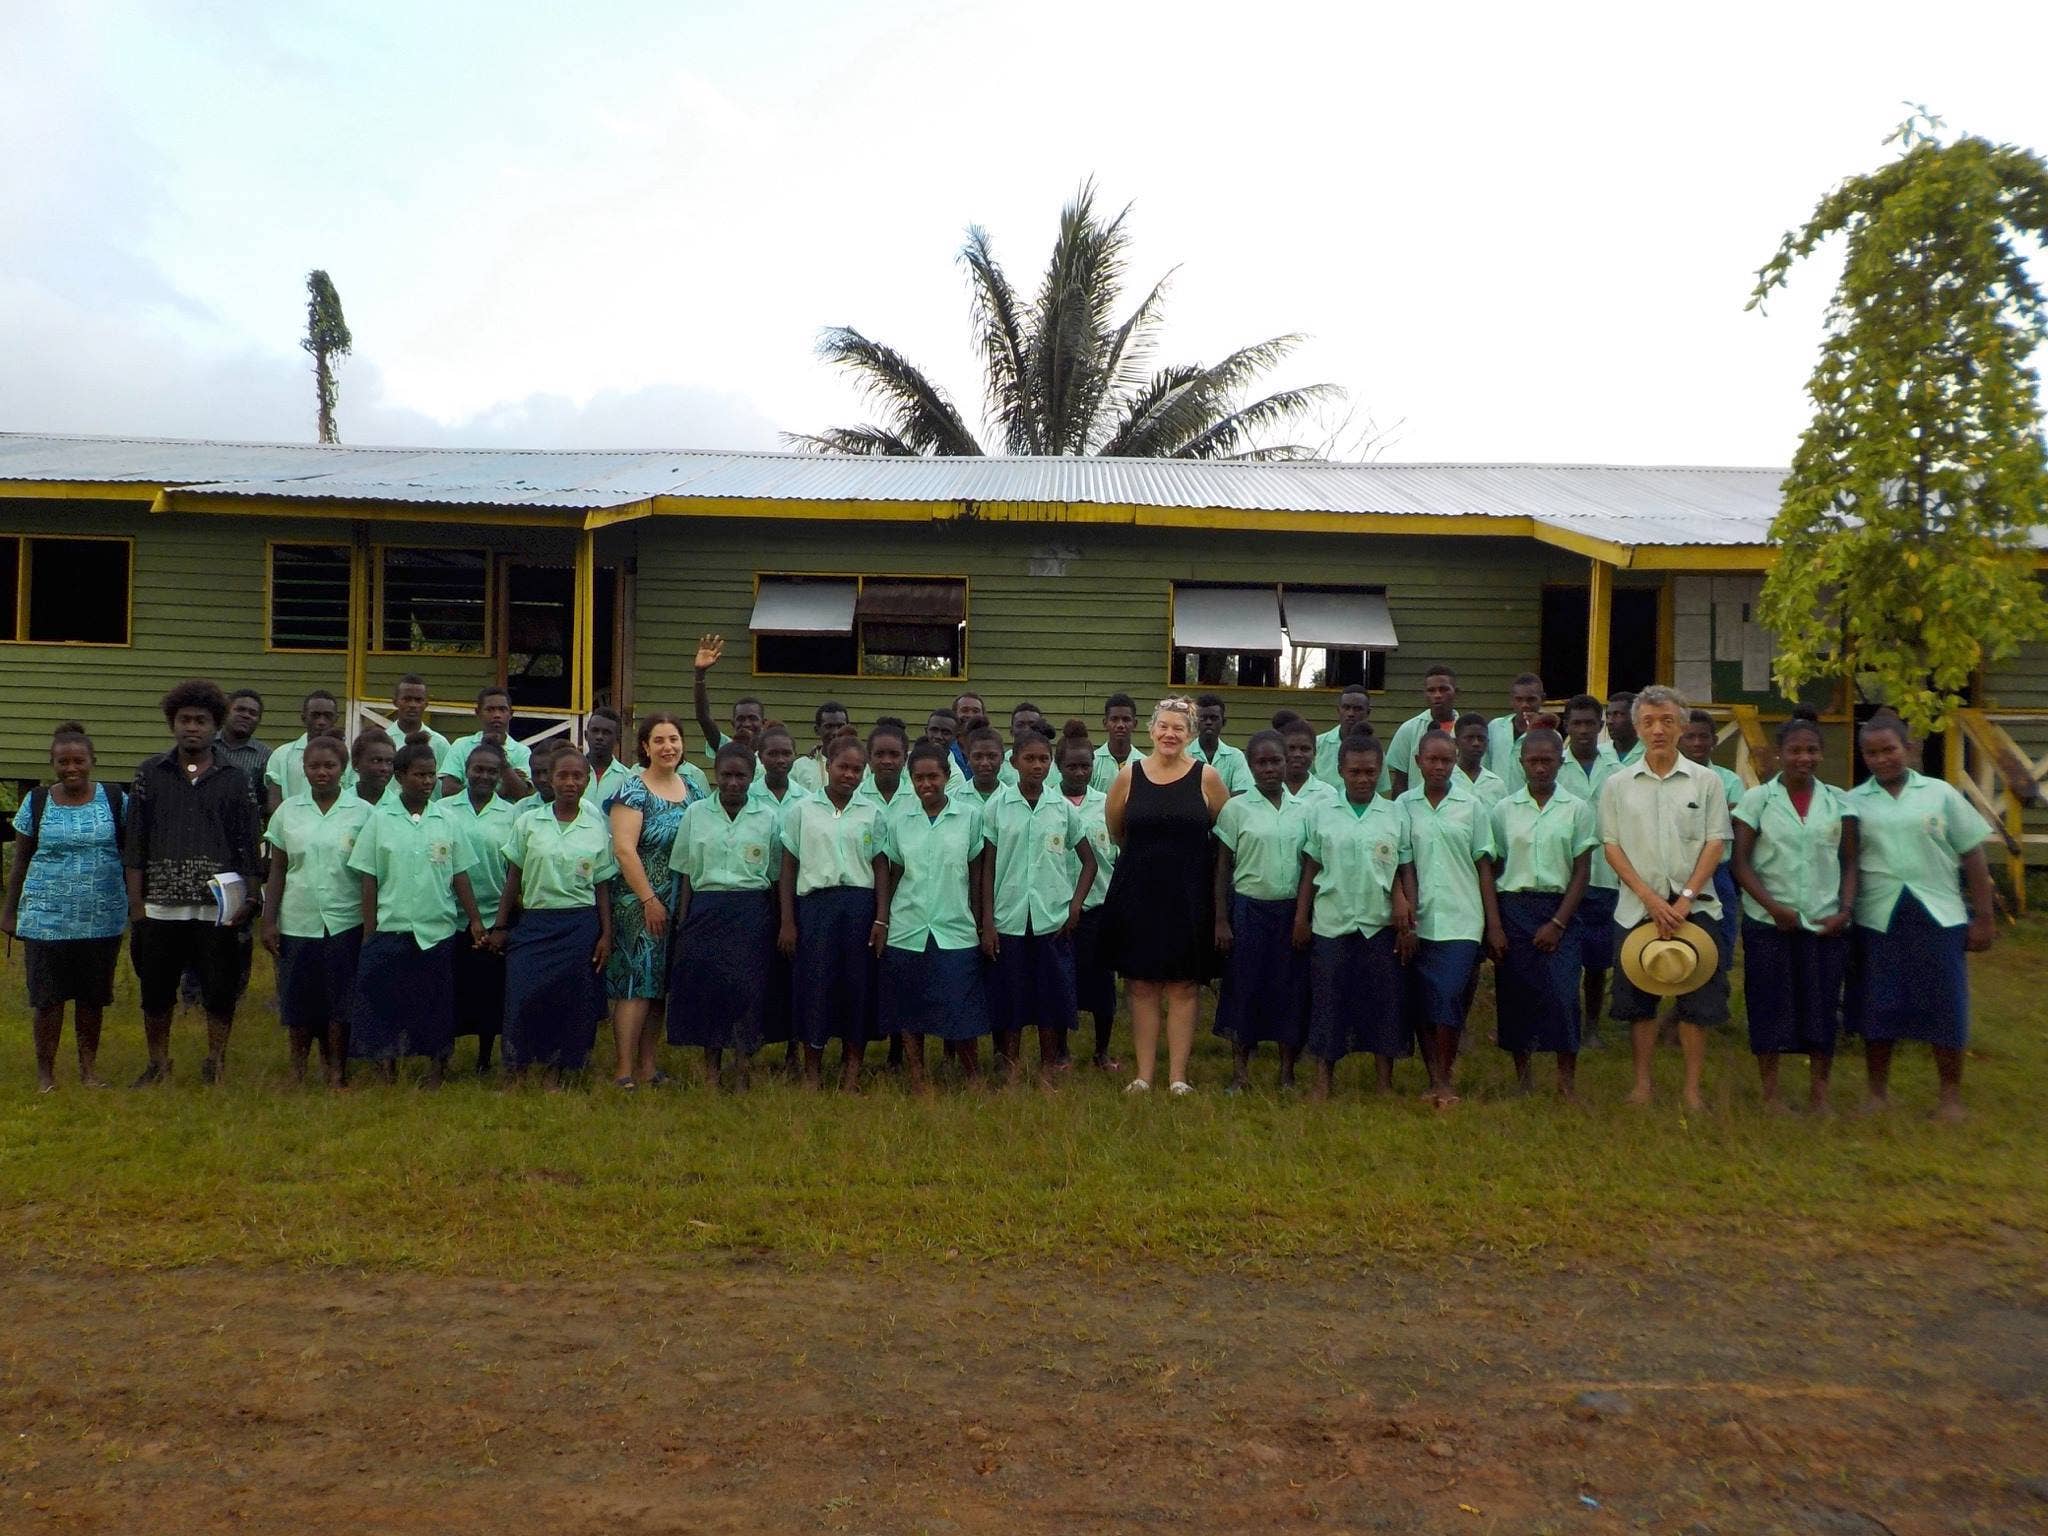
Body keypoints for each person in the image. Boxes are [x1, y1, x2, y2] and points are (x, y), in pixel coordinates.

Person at [1846, 715, 1996, 1122]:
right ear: (1863, 757)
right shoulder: (1854, 802)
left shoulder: (1940, 793)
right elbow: (1848, 863)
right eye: (1871, 753)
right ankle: (1877, 1093)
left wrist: (1983, 916)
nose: (1882, 759)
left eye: (1889, 749)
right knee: (1879, 1004)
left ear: (1908, 748)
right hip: (1878, 915)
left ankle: (1950, 1098)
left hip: (1938, 912)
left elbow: (1972, 854)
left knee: (1944, 1003)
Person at [1598, 685, 1732, 1112]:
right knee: (1640, 999)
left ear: (1682, 726)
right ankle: (1642, 1085)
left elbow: (1716, 842)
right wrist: (1650, 899)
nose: (1658, 730)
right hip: (1638, 906)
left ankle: (1692, 1091)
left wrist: (1686, 898)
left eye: (1667, 721)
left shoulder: (1706, 781)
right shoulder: (1618, 784)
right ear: (1637, 727)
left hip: (1696, 905)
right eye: (1649, 722)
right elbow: (1612, 846)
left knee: (1697, 999)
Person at [124, 680, 263, 1086]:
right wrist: (137, 906)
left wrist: (251, 898)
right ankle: (157, 1064)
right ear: (172, 723)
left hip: (217, 907)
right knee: (156, 992)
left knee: (220, 992)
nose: (192, 728)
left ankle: (215, 1062)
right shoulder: (150, 773)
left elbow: (247, 845)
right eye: (184, 719)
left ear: (215, 726)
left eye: (201, 720)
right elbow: (135, 843)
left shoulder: (235, 779)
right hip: (160, 906)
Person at [1731, 708, 1856, 1114]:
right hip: (1770, 922)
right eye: (1795, 750)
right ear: (1780, 754)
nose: (1804, 757)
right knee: (1769, 1004)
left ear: (1821, 754)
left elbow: (1851, 861)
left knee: (1821, 1007)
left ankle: (1819, 1095)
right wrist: (1773, 907)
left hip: (1823, 921)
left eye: (1812, 750)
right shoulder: (1758, 800)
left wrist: (1845, 910)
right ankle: (1771, 1094)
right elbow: (1741, 862)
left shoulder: (1838, 801)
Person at [1103, 697, 1229, 1095]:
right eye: (1164, 726)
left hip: (1189, 894)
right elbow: (1116, 831)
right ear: (1151, 730)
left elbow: (1222, 835)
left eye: (1179, 728)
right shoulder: (1129, 775)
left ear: (1190, 734)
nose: (1170, 734)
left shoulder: (1207, 777)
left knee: (1182, 985)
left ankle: (1178, 1077)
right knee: (1141, 984)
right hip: (1138, 893)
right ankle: (1143, 1075)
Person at [348, 742, 484, 1086]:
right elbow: (369, 877)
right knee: (386, 1001)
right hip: (391, 927)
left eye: (431, 776)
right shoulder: (380, 820)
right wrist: (369, 930)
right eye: (419, 775)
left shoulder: (446, 820)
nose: (427, 782)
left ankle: (437, 1068)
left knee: (434, 1004)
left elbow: (460, 874)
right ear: (399, 777)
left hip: (435, 929)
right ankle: (386, 1069)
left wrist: (476, 919)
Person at [3, 723, 127, 1091]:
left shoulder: (116, 799)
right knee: (48, 1000)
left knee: (92, 999)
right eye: (63, 762)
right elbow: (20, 860)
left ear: (92, 762)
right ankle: (46, 1075)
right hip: (46, 918)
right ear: (52, 763)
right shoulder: (37, 801)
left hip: (101, 918)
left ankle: (89, 1071)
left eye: (79, 761)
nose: (71, 768)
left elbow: (131, 852)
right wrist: (9, 912)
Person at [1295, 734, 1412, 1098]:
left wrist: (1406, 910)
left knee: (1384, 1002)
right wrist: (1301, 917)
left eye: (1370, 772)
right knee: (1329, 1001)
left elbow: (1403, 867)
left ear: (1380, 772)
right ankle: (1323, 1081)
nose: (1363, 779)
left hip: (1379, 923)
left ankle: (1383, 1082)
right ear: (1341, 772)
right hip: (1333, 919)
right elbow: (1311, 867)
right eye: (1355, 771)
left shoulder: (1394, 813)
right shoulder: (1323, 812)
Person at [980, 725, 1096, 1087]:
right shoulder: (997, 807)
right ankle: (1011, 1065)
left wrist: (1075, 906)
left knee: (1051, 995)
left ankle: (1048, 1068)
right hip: (1009, 917)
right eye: (1029, 759)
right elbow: (987, 867)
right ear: (1013, 762)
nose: (1037, 766)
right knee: (1011, 995)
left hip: (1052, 918)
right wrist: (986, 921)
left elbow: (1089, 861)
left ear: (1052, 765)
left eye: (1044, 759)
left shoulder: (1060, 808)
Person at [874, 739, 992, 1093]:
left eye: (934, 777)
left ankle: (972, 1077)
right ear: (911, 780)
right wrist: (883, 920)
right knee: (910, 1008)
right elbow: (891, 872)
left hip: (954, 927)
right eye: (920, 778)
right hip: (908, 926)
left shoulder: (969, 817)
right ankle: (918, 1077)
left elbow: (976, 874)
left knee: (961, 1005)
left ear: (947, 776)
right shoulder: (898, 820)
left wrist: (981, 922)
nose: (927, 785)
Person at [496, 751, 617, 1088]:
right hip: (535, 921)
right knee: (523, 996)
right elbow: (513, 878)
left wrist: (606, 934)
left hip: (579, 925)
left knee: (570, 1002)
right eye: (563, 775)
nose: (570, 783)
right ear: (549, 778)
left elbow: (603, 885)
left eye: (578, 776)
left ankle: (556, 1071)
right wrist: (501, 925)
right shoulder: (528, 823)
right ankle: (517, 1071)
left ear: (587, 780)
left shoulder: (595, 829)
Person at [669, 739, 783, 1090]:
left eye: (741, 776)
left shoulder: (768, 817)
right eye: (726, 775)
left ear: (752, 777)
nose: (733, 783)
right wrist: (684, 919)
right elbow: (686, 872)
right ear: (714, 776)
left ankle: (743, 1066)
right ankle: (711, 1069)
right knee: (710, 991)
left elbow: (777, 875)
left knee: (746, 991)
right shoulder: (696, 814)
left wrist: (779, 922)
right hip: (707, 910)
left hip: (751, 911)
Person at [1489, 727, 1596, 1099]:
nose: (1539, 768)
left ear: (1559, 762)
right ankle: (1523, 1078)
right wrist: (1496, 924)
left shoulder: (1577, 809)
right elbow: (1495, 864)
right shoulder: (1504, 810)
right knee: (1518, 993)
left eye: (1547, 760)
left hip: (1560, 907)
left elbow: (1582, 869)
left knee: (1564, 994)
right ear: (1521, 764)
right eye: (1532, 761)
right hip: (1515, 908)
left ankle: (1566, 1082)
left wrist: (1558, 922)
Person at [1399, 730, 1503, 1106]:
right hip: (1418, 921)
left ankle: (1445, 1078)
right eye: (1432, 759)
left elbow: (1484, 866)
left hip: (1462, 918)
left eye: (1446, 760)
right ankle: (1434, 1076)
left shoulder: (1472, 806)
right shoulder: (1403, 806)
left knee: (1448, 997)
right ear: (1419, 761)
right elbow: (1397, 864)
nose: (1439, 766)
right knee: (1423, 1001)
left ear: (1455, 761)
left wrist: (1493, 925)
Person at [260, 732, 369, 1087]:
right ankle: (298, 1071)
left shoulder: (362, 812)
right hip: (298, 919)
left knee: (341, 1001)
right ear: (304, 770)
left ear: (344, 769)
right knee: (299, 1001)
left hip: (345, 920)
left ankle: (336, 1070)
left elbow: (370, 873)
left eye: (329, 766)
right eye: (314, 766)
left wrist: (371, 922)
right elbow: (277, 868)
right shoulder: (288, 812)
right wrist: (269, 919)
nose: (322, 772)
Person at [778, 736, 883, 1090]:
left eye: (857, 769)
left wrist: (881, 917)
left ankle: (852, 1070)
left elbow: (881, 867)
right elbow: (788, 867)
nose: (849, 775)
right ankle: (812, 1072)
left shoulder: (872, 813)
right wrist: (788, 921)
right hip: (815, 908)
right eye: (843, 767)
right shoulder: (802, 811)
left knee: (857, 988)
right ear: (828, 766)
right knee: (815, 987)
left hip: (859, 907)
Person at [1213, 730, 1310, 1092]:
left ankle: (1287, 1073)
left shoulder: (1304, 810)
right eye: (1261, 762)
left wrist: (1303, 916)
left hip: (1290, 913)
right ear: (1250, 767)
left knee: (1290, 990)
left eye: (1276, 761)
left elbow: (1310, 866)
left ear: (1287, 762)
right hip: (1249, 910)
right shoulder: (1236, 809)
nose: (1269, 768)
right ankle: (1240, 1074)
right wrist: (1221, 920)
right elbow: (1222, 867)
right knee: (1245, 989)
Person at [605, 711, 696, 1088]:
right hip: (638, 903)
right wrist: (649, 900)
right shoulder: (632, 790)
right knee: (635, 982)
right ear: (645, 746)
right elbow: (625, 851)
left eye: (673, 739)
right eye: (658, 740)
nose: (667, 747)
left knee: (659, 984)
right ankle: (623, 1069)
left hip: (679, 902)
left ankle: (648, 1065)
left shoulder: (694, 790)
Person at [449, 739, 520, 1073]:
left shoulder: (511, 814)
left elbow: (513, 872)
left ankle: (484, 1058)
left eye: (493, 771)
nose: (485, 776)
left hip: (494, 916)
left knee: (490, 992)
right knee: (452, 989)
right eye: (478, 769)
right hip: (451, 917)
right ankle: (443, 1055)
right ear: (466, 771)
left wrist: (502, 923)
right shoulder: (445, 809)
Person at [1558, 694, 1624, 1042]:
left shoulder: (1618, 772)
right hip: (1563, 880)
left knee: (1598, 959)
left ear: (1601, 727)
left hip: (1605, 877)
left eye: (1590, 724)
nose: (1583, 730)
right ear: (1566, 727)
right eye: (1576, 724)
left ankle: (1592, 1026)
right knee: (1565, 957)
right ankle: (1564, 1020)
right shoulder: (1556, 767)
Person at [1058, 722, 1120, 1072]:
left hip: (1099, 907)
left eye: (1085, 766)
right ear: (1059, 767)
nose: (1079, 772)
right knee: (1063, 980)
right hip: (1059, 909)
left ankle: (1101, 1052)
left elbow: (1117, 853)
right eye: (1072, 766)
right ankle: (1062, 1052)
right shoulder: (1050, 803)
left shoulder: (1108, 804)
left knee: (1102, 984)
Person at [1680, 709, 1747, 963]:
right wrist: (1718, 812)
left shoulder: (1729, 781)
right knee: (1680, 939)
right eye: (1690, 737)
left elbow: (1734, 822)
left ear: (1714, 741)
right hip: (1678, 870)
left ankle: (1719, 987)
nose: (1697, 743)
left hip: (1717, 872)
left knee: (1720, 936)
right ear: (1679, 739)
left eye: (1704, 737)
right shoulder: (1669, 779)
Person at [691, 633, 767, 780]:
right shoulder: (725, 747)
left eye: (753, 718)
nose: (746, 724)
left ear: (763, 723)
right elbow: (703, 717)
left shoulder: (771, 752)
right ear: (733, 723)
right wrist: (700, 673)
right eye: (741, 719)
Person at [438, 686, 533, 799]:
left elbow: (522, 794)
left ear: (511, 714)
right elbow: (448, 790)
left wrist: (502, 760)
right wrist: (502, 791)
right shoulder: (461, 745)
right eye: (490, 709)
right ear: (478, 713)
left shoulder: (522, 752)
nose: (497, 715)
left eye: (502, 709)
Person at [265, 688, 351, 813]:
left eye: (328, 716)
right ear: (303, 718)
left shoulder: (349, 757)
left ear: (336, 718)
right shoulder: (281, 755)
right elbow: (274, 802)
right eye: (315, 715)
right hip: (292, 828)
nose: (321, 722)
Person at [1386, 665, 1460, 797]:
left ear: (1456, 692)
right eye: (1431, 690)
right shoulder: (1408, 729)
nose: (1437, 695)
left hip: (1457, 810)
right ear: (1425, 694)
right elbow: (1400, 781)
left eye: (1443, 689)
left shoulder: (1466, 732)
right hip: (1416, 810)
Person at [1484, 673, 1546, 795]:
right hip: (1496, 800)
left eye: (1531, 699)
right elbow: (1485, 766)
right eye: (1519, 699)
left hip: (1529, 803)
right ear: (1512, 700)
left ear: (1542, 699)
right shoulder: (1495, 727)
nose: (1525, 705)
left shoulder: (1549, 735)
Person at [1185, 694, 1252, 796]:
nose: (1208, 722)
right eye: (1203, 718)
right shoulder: (1184, 755)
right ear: (1194, 722)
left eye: (1214, 718)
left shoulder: (1235, 757)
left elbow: (1242, 794)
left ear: (1223, 722)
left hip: (1229, 812)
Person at [1311, 687, 1374, 791]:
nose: (1351, 714)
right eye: (1346, 707)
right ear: (1338, 710)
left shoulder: (1375, 750)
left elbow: (1379, 792)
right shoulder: (1317, 744)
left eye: (1357, 709)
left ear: (1368, 713)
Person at [214, 688, 272, 791]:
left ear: (258, 721)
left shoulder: (265, 755)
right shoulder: (207, 744)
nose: (246, 715)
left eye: (252, 713)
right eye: (240, 709)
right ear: (226, 712)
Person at [790, 700, 851, 796]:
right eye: (829, 726)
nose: (835, 732)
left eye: (840, 726)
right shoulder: (800, 767)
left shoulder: (860, 767)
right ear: (817, 730)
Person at [1280, 717, 1338, 813]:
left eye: (1304, 749)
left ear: (1314, 752)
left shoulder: (1327, 794)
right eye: (1291, 748)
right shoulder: (1269, 791)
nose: (1297, 754)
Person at [388, 674, 450, 763]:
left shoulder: (439, 743)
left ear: (426, 704)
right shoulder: (383, 741)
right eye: (407, 699)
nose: (412, 705)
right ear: (395, 702)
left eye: (418, 700)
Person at [1091, 693, 1147, 793]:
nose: (1120, 725)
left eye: (1126, 719)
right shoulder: (1093, 762)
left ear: (1135, 724)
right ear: (1105, 723)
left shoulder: (1144, 764)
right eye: (1114, 719)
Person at [583, 707, 636, 809]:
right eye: (595, 731)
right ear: (586, 735)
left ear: (617, 739)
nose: (599, 737)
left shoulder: (628, 779)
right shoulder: (572, 775)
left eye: (606, 732)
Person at [1453, 713, 1509, 810]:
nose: (1476, 743)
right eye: (1469, 738)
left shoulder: (1496, 785)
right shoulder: (1447, 780)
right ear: (1456, 742)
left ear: (1487, 742)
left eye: (1481, 738)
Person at [856, 719, 913, 811]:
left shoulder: (917, 797)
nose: (887, 761)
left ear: (905, 758)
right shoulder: (855, 795)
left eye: (894, 754)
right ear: (869, 758)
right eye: (879, 754)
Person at [956, 726, 1006, 807]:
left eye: (992, 756)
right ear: (968, 758)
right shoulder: (953, 798)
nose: (984, 763)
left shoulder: (1012, 799)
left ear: (1002, 758)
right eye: (978, 756)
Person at [351, 726, 396, 808]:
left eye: (389, 762)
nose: (384, 768)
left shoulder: (398, 806)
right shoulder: (340, 804)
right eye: (376, 761)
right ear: (356, 764)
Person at [949, 692, 989, 776]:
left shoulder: (992, 749)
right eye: (964, 710)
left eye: (975, 711)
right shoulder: (946, 748)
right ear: (954, 714)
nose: (970, 715)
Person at [1605, 692, 1642, 765]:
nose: (1610, 721)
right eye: (1608, 715)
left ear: (1635, 718)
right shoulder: (1599, 753)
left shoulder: (1650, 754)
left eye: (1618, 714)